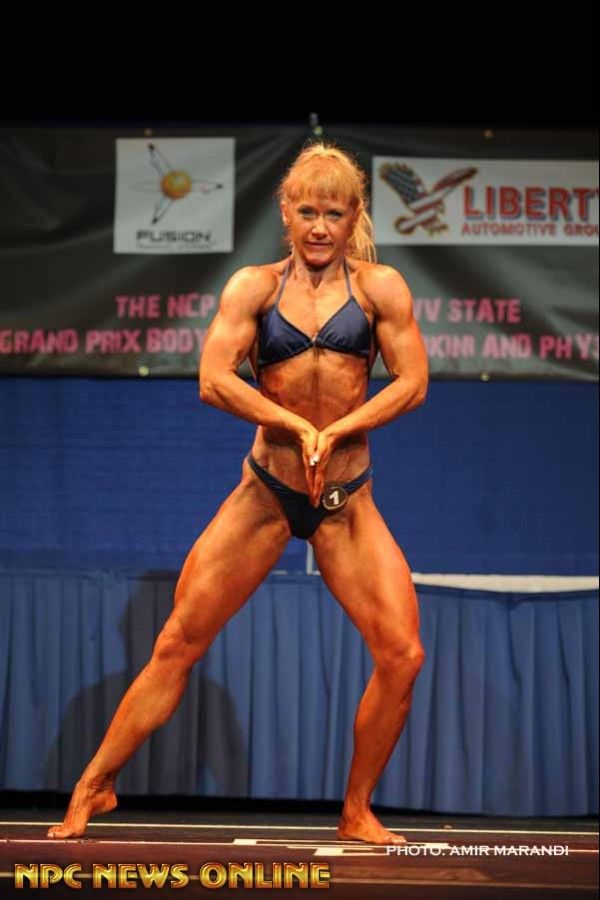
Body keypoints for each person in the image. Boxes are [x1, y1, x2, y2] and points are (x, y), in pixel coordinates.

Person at [48, 142, 429, 845]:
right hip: (267, 493)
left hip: (345, 501)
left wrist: (339, 428)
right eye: (307, 212)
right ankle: (95, 783)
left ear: (354, 217)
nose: (320, 227)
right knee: (177, 641)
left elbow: (413, 382)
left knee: (402, 654)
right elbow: (214, 379)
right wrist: (295, 424)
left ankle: (356, 810)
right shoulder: (254, 288)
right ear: (285, 212)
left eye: (334, 214)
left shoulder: (382, 290)